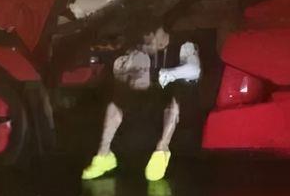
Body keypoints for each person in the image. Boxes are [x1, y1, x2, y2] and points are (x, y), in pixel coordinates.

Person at [82, 25, 201, 181]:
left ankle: (162, 151)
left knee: (174, 100)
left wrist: (170, 74)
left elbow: (194, 70)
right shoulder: (140, 49)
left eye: (151, 36)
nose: (149, 41)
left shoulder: (183, 45)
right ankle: (104, 155)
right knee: (115, 103)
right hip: (149, 100)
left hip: (177, 102)